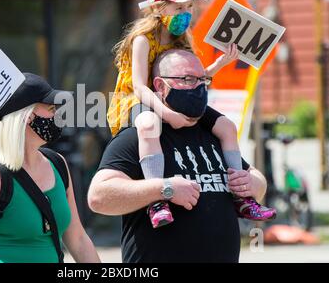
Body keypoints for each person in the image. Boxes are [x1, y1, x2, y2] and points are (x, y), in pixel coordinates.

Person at [107, 0, 275, 228]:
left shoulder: (181, 39)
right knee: (149, 125)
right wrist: (167, 114)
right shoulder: (142, 40)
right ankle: (157, 201)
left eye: (188, 6)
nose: (185, 13)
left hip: (174, 96)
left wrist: (219, 65)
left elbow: (191, 78)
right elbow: (140, 86)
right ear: (158, 8)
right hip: (139, 99)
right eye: (178, 7)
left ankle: (242, 198)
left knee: (227, 127)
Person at [89, 49, 270, 262]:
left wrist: (252, 184)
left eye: (202, 79)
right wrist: (164, 188)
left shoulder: (214, 134)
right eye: (187, 79)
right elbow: (98, 197)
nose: (198, 87)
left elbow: (257, 180)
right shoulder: (139, 136)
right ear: (160, 86)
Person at [0, 73, 101, 263]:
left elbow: (78, 239)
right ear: (27, 117)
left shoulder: (57, 163)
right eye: (51, 109)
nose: (56, 115)